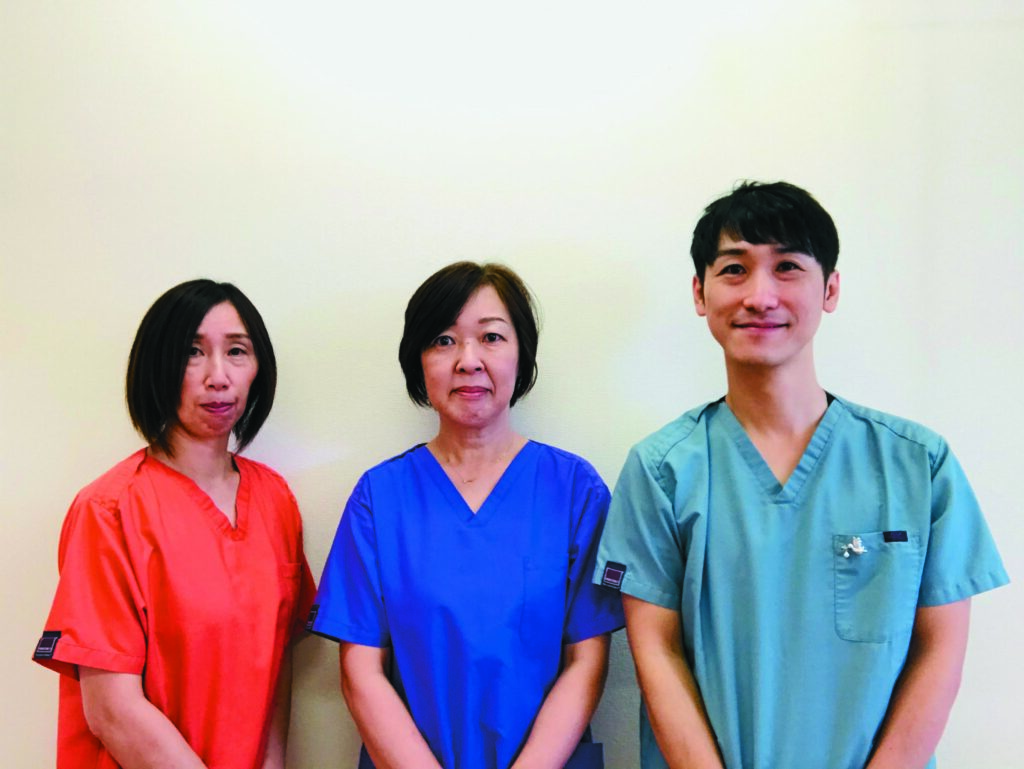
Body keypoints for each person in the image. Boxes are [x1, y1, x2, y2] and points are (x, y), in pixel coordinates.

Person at [593, 181, 1009, 769]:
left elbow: (939, 649)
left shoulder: (917, 464)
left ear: (830, 288)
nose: (760, 296)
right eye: (734, 270)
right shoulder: (663, 470)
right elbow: (656, 652)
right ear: (700, 292)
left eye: (787, 267)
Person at [309, 262, 624, 769]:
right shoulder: (380, 497)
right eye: (443, 341)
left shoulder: (574, 491)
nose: (468, 360)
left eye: (491, 337)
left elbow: (587, 661)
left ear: (522, 354)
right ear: (418, 361)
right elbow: (361, 672)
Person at [33, 279, 316, 769]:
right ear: (157, 365)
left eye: (237, 351)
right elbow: (112, 712)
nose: (218, 376)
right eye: (192, 352)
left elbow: (275, 664)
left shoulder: (275, 499)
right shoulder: (109, 509)